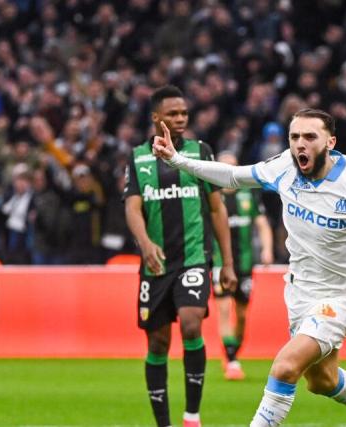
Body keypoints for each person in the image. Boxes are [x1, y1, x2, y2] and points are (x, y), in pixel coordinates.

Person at [152, 108, 346, 427]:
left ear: (330, 142)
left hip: (344, 294)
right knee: (321, 380)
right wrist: (177, 161)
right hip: (301, 291)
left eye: (310, 137)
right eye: (294, 137)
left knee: (285, 366)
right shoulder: (284, 168)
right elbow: (234, 176)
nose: (300, 145)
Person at [124, 85, 237, 427]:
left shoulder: (201, 152)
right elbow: (132, 206)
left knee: (191, 324)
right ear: (156, 117)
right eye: (173, 113)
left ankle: (192, 416)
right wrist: (145, 242)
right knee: (158, 341)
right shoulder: (139, 157)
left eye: (184, 113)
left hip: (193, 259)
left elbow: (217, 209)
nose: (180, 118)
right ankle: (164, 423)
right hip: (155, 265)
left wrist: (227, 263)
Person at [211, 151, 274, 381]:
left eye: (233, 167)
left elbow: (262, 224)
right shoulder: (212, 195)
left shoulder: (248, 195)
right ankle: (231, 359)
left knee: (242, 315)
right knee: (224, 309)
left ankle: (232, 352)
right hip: (220, 264)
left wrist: (267, 249)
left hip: (245, 265)